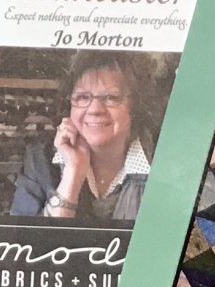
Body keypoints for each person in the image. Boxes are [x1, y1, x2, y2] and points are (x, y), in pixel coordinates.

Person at [10, 53, 154, 221]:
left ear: (135, 106)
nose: (95, 109)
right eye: (83, 97)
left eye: (111, 98)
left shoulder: (163, 162)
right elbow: (26, 236)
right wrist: (73, 172)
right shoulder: (41, 159)